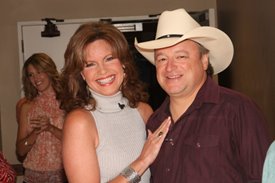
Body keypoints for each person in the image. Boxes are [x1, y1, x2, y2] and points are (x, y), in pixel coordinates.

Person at [135, 8, 272, 183]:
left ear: (204, 60)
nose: (169, 67)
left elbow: (264, 177)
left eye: (181, 56)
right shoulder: (155, 122)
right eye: (162, 59)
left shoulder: (237, 110)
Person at [60, 22, 171, 183]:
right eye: (90, 64)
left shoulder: (143, 111)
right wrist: (142, 162)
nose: (102, 71)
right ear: (82, 74)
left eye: (109, 59)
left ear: (123, 63)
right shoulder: (80, 122)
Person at [16, 53, 67, 182]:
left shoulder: (67, 102)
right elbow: (20, 151)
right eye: (31, 75)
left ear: (49, 71)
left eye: (39, 72)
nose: (35, 78)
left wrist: (50, 128)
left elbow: (76, 141)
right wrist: (35, 133)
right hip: (32, 177)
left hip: (61, 176)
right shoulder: (26, 106)